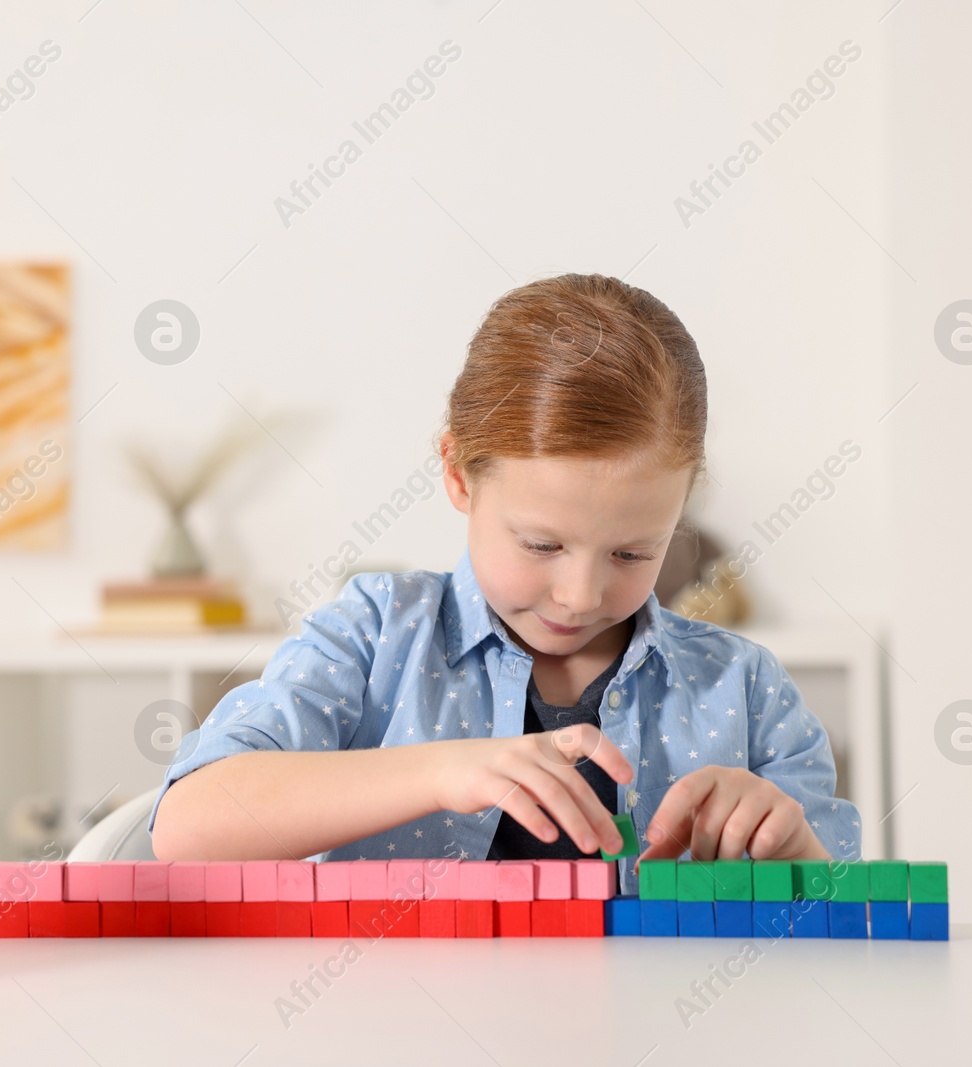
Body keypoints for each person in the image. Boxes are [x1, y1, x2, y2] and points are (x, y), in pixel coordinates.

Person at [149, 273, 861, 891]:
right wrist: (437, 771)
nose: (581, 594)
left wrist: (791, 849)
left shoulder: (742, 689)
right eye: (542, 543)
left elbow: (853, 927)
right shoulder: (373, 637)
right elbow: (188, 825)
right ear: (458, 474)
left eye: (633, 553)